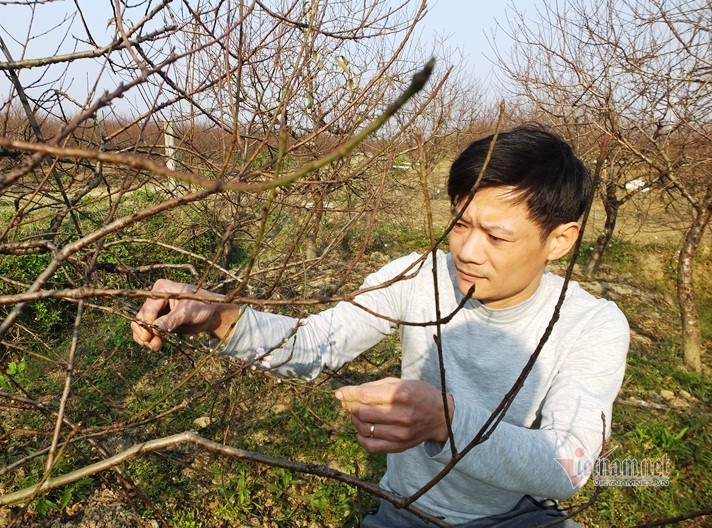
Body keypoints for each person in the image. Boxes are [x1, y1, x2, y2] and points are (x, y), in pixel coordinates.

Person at [131, 126, 630, 527]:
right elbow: (314, 344)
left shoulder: (592, 325)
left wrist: (447, 422)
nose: (467, 251)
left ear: (560, 240)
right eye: (459, 224)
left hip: (519, 515)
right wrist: (219, 315)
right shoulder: (416, 277)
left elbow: (570, 463)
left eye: (496, 237)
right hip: (406, 510)